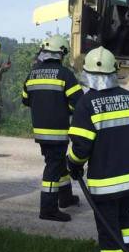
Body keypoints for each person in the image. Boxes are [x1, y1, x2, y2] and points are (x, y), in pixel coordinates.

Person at [67, 46, 129, 252]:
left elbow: (81, 147)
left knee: (109, 232)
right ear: (115, 71)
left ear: (86, 74)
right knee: (125, 223)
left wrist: (72, 165)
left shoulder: (86, 104)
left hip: (105, 184)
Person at [22, 35, 83, 222]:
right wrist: (65, 109)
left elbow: (26, 99)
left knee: (58, 163)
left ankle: (65, 198)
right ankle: (48, 209)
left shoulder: (32, 73)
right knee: (53, 167)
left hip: (41, 131)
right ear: (61, 53)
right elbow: (79, 103)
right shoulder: (64, 74)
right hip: (58, 131)